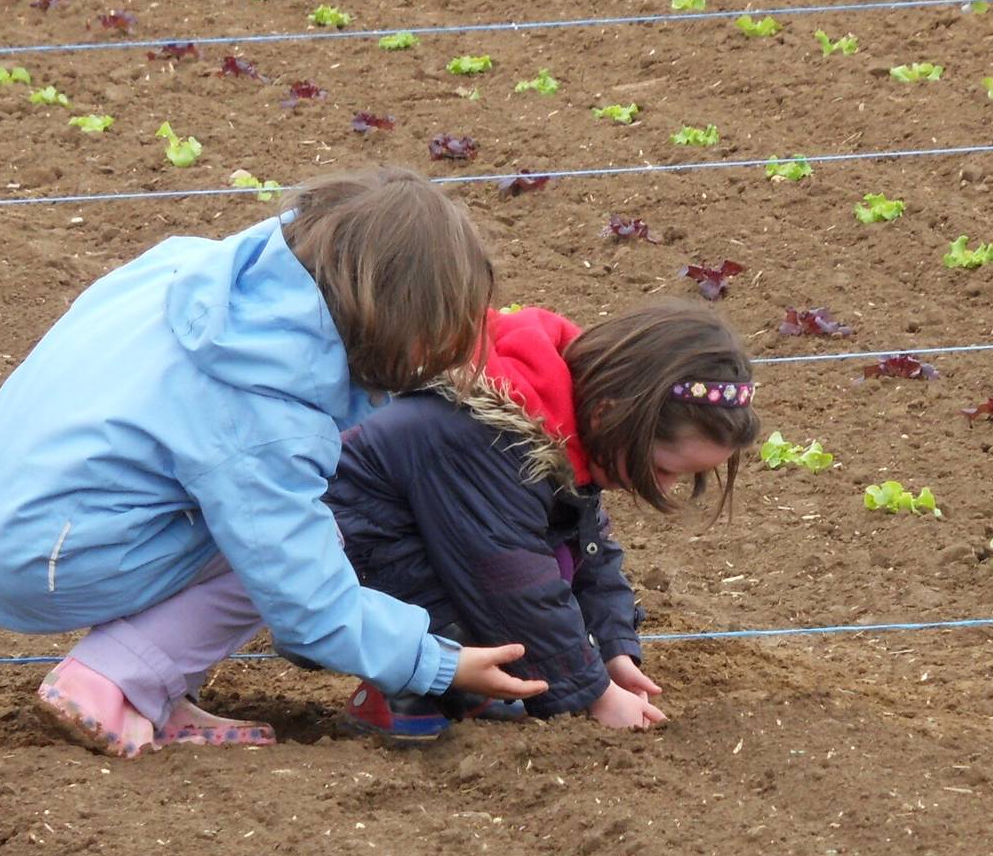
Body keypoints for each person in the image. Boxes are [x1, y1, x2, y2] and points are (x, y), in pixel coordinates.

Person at [0, 168, 549, 758]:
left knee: (231, 502)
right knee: (289, 544)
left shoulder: (200, 272)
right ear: (396, 314)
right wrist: (437, 662)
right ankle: (112, 683)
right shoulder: (263, 409)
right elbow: (307, 602)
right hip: (38, 555)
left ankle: (155, 684)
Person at [321, 300, 759, 741]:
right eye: (663, 469)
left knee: (559, 563)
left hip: (410, 550)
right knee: (516, 599)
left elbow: (589, 551)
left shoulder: (556, 418)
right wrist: (597, 695)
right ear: (609, 414)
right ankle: (406, 692)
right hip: (334, 563)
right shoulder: (491, 438)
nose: (664, 486)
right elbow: (512, 583)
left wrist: (613, 652)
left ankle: (459, 681)